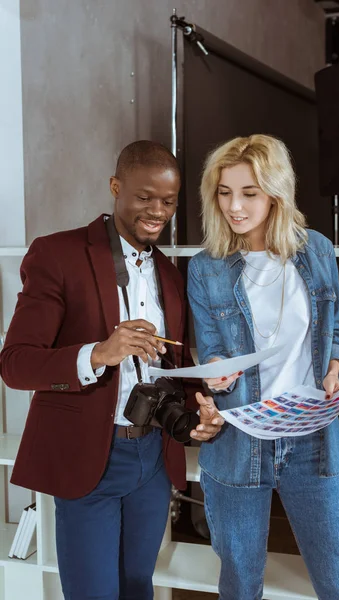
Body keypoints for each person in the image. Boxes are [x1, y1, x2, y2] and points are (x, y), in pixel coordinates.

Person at [0, 140, 224, 600]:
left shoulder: (170, 274)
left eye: (167, 201)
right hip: (89, 460)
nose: (157, 211)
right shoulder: (56, 255)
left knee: (138, 586)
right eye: (144, 197)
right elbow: (15, 365)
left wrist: (202, 406)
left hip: (153, 461)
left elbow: (174, 369)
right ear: (115, 187)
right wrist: (98, 353)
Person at [187, 134, 339, 600]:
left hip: (312, 438)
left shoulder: (318, 251)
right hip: (238, 438)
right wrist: (215, 369)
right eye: (224, 192)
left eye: (249, 193)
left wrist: (334, 368)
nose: (234, 206)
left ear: (276, 192)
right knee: (241, 584)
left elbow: (338, 333)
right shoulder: (206, 268)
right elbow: (209, 347)